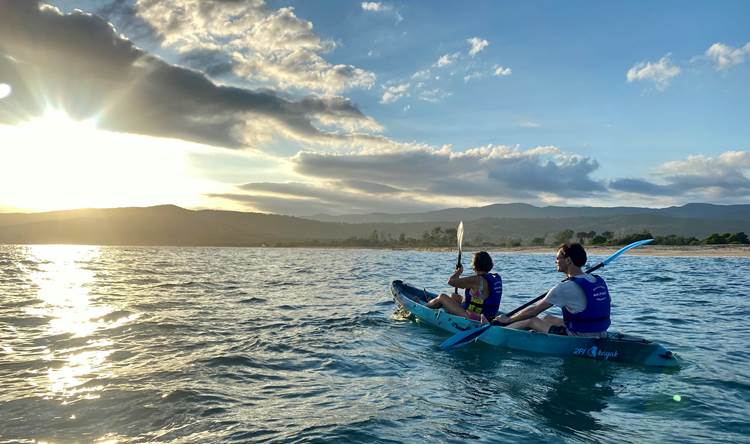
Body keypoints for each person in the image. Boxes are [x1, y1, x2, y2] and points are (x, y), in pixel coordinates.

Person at [493, 243, 610, 337]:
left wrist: (508, 319)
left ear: (568, 260)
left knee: (531, 320)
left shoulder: (564, 287)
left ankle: (499, 332)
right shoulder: (598, 281)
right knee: (547, 318)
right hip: (601, 332)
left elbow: (533, 311)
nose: (556, 261)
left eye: (558, 258)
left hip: (579, 336)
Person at [425, 251, 502, 321]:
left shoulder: (476, 280)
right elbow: (481, 299)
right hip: (489, 316)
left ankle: (425, 306)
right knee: (454, 296)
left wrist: (458, 272)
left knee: (442, 297)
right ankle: (435, 304)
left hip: (474, 318)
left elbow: (451, 282)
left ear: (475, 265)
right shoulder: (495, 278)